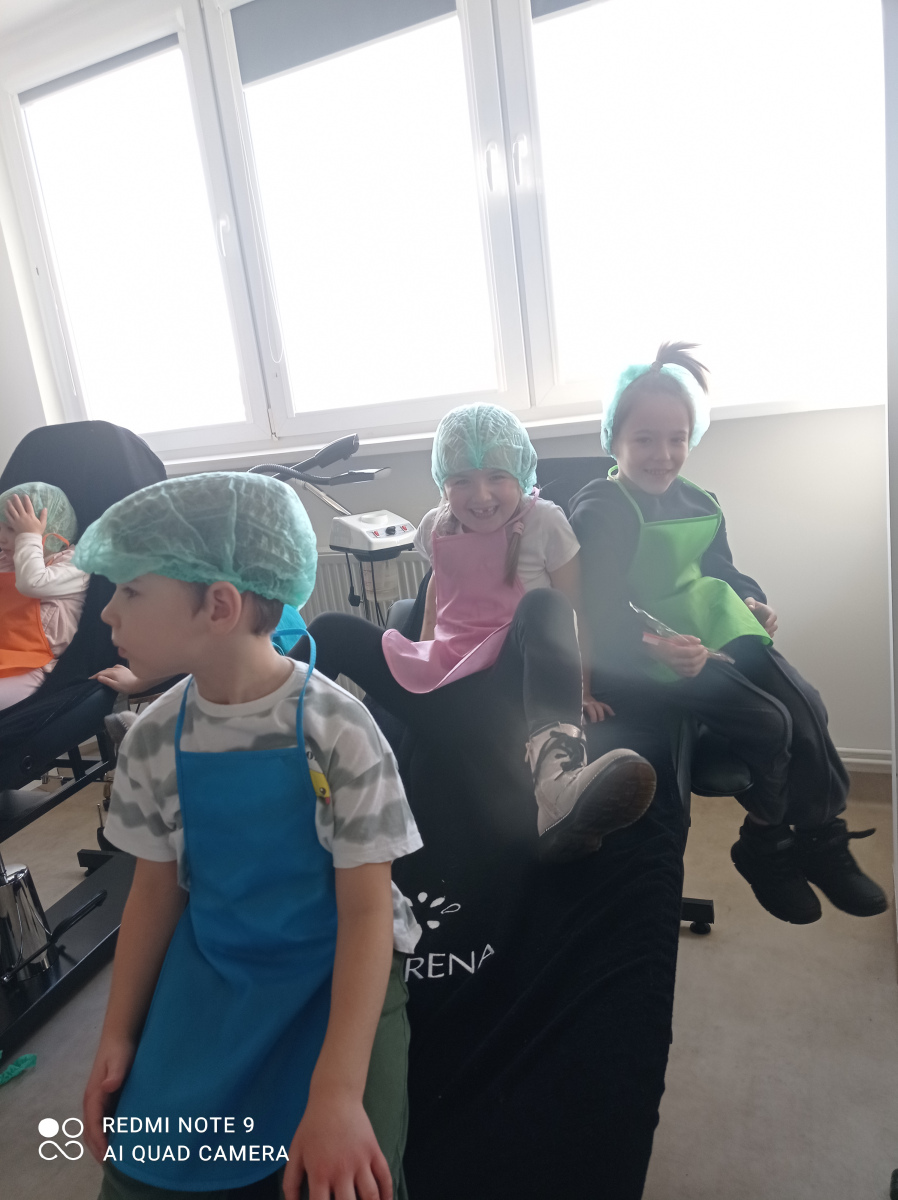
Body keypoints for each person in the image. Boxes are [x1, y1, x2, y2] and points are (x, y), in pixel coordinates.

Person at [76, 472, 423, 1200]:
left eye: (130, 591)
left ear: (219, 605)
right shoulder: (152, 739)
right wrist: (117, 1034)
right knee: (142, 1169)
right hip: (219, 963)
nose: (107, 612)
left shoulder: (338, 731)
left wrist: (337, 1093)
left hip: (340, 967)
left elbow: (367, 912)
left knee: (343, 1173)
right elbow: (154, 893)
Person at [569, 341, 887, 924]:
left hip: (707, 624)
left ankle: (821, 834)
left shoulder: (700, 501)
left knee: (808, 704)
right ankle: (765, 841)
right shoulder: (601, 507)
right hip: (640, 650)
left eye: (677, 439)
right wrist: (655, 645)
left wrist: (751, 600)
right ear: (614, 439)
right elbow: (598, 606)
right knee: (770, 722)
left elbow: (721, 569)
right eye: (645, 439)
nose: (663, 455)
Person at [301, 403, 656, 863]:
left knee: (544, 604)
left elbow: (574, 614)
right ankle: (268, 739)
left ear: (520, 473)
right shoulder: (435, 526)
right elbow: (436, 598)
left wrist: (581, 690)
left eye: (496, 476)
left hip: (509, 694)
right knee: (330, 629)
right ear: (443, 483)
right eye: (462, 480)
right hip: (447, 689)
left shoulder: (546, 522)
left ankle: (556, 784)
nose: (481, 494)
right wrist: (418, 657)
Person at [0, 481, 89, 710]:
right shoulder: (7, 558)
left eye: (12, 530)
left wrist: (28, 536)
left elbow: (32, 583)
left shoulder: (75, 564)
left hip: (30, 665)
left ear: (50, 532)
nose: (2, 538)